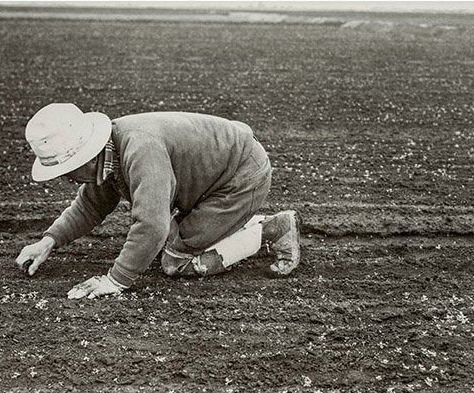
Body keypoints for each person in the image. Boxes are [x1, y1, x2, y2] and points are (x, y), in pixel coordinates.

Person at [16, 103, 301, 300]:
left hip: (240, 178)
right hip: (217, 177)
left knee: (175, 262)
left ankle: (274, 228)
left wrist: (115, 280)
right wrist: (49, 241)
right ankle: (233, 225)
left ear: (87, 158)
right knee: (161, 243)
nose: (66, 179)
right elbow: (91, 205)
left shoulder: (140, 150)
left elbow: (152, 225)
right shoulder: (110, 152)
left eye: (66, 171)